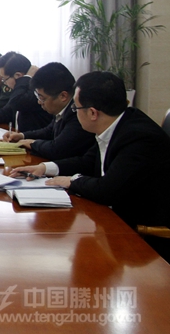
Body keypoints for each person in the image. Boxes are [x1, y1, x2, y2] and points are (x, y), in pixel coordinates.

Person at [14, 72, 170, 260]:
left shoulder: (139, 138)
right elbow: (87, 162)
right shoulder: (116, 125)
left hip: (140, 238)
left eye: (75, 107)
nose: (73, 112)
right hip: (113, 219)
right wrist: (45, 168)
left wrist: (71, 181)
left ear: (93, 113)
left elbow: (107, 190)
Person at [2, 62, 95, 160]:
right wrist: (22, 136)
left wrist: (32, 143)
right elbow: (49, 131)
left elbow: (57, 149)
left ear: (63, 96)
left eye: (42, 98)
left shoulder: (78, 113)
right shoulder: (62, 108)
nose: (39, 102)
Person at [0, 52, 51, 133]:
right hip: (22, 136)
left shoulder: (36, 90)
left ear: (18, 76)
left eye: (4, 79)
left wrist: (25, 78)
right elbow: (7, 112)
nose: (4, 83)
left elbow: (16, 103)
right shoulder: (21, 89)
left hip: (35, 140)